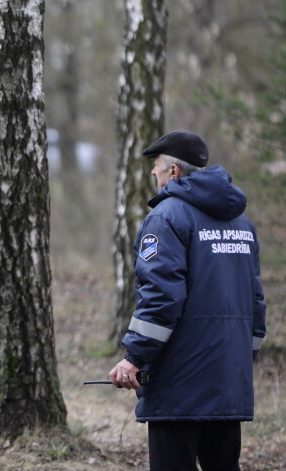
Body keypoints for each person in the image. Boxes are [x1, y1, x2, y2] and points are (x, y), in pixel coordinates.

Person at [108, 130, 267, 471]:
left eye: (157, 166)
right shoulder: (242, 223)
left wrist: (134, 357)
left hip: (180, 383)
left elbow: (161, 298)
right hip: (228, 379)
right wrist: (242, 358)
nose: (153, 173)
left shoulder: (166, 218)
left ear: (174, 173)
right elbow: (255, 301)